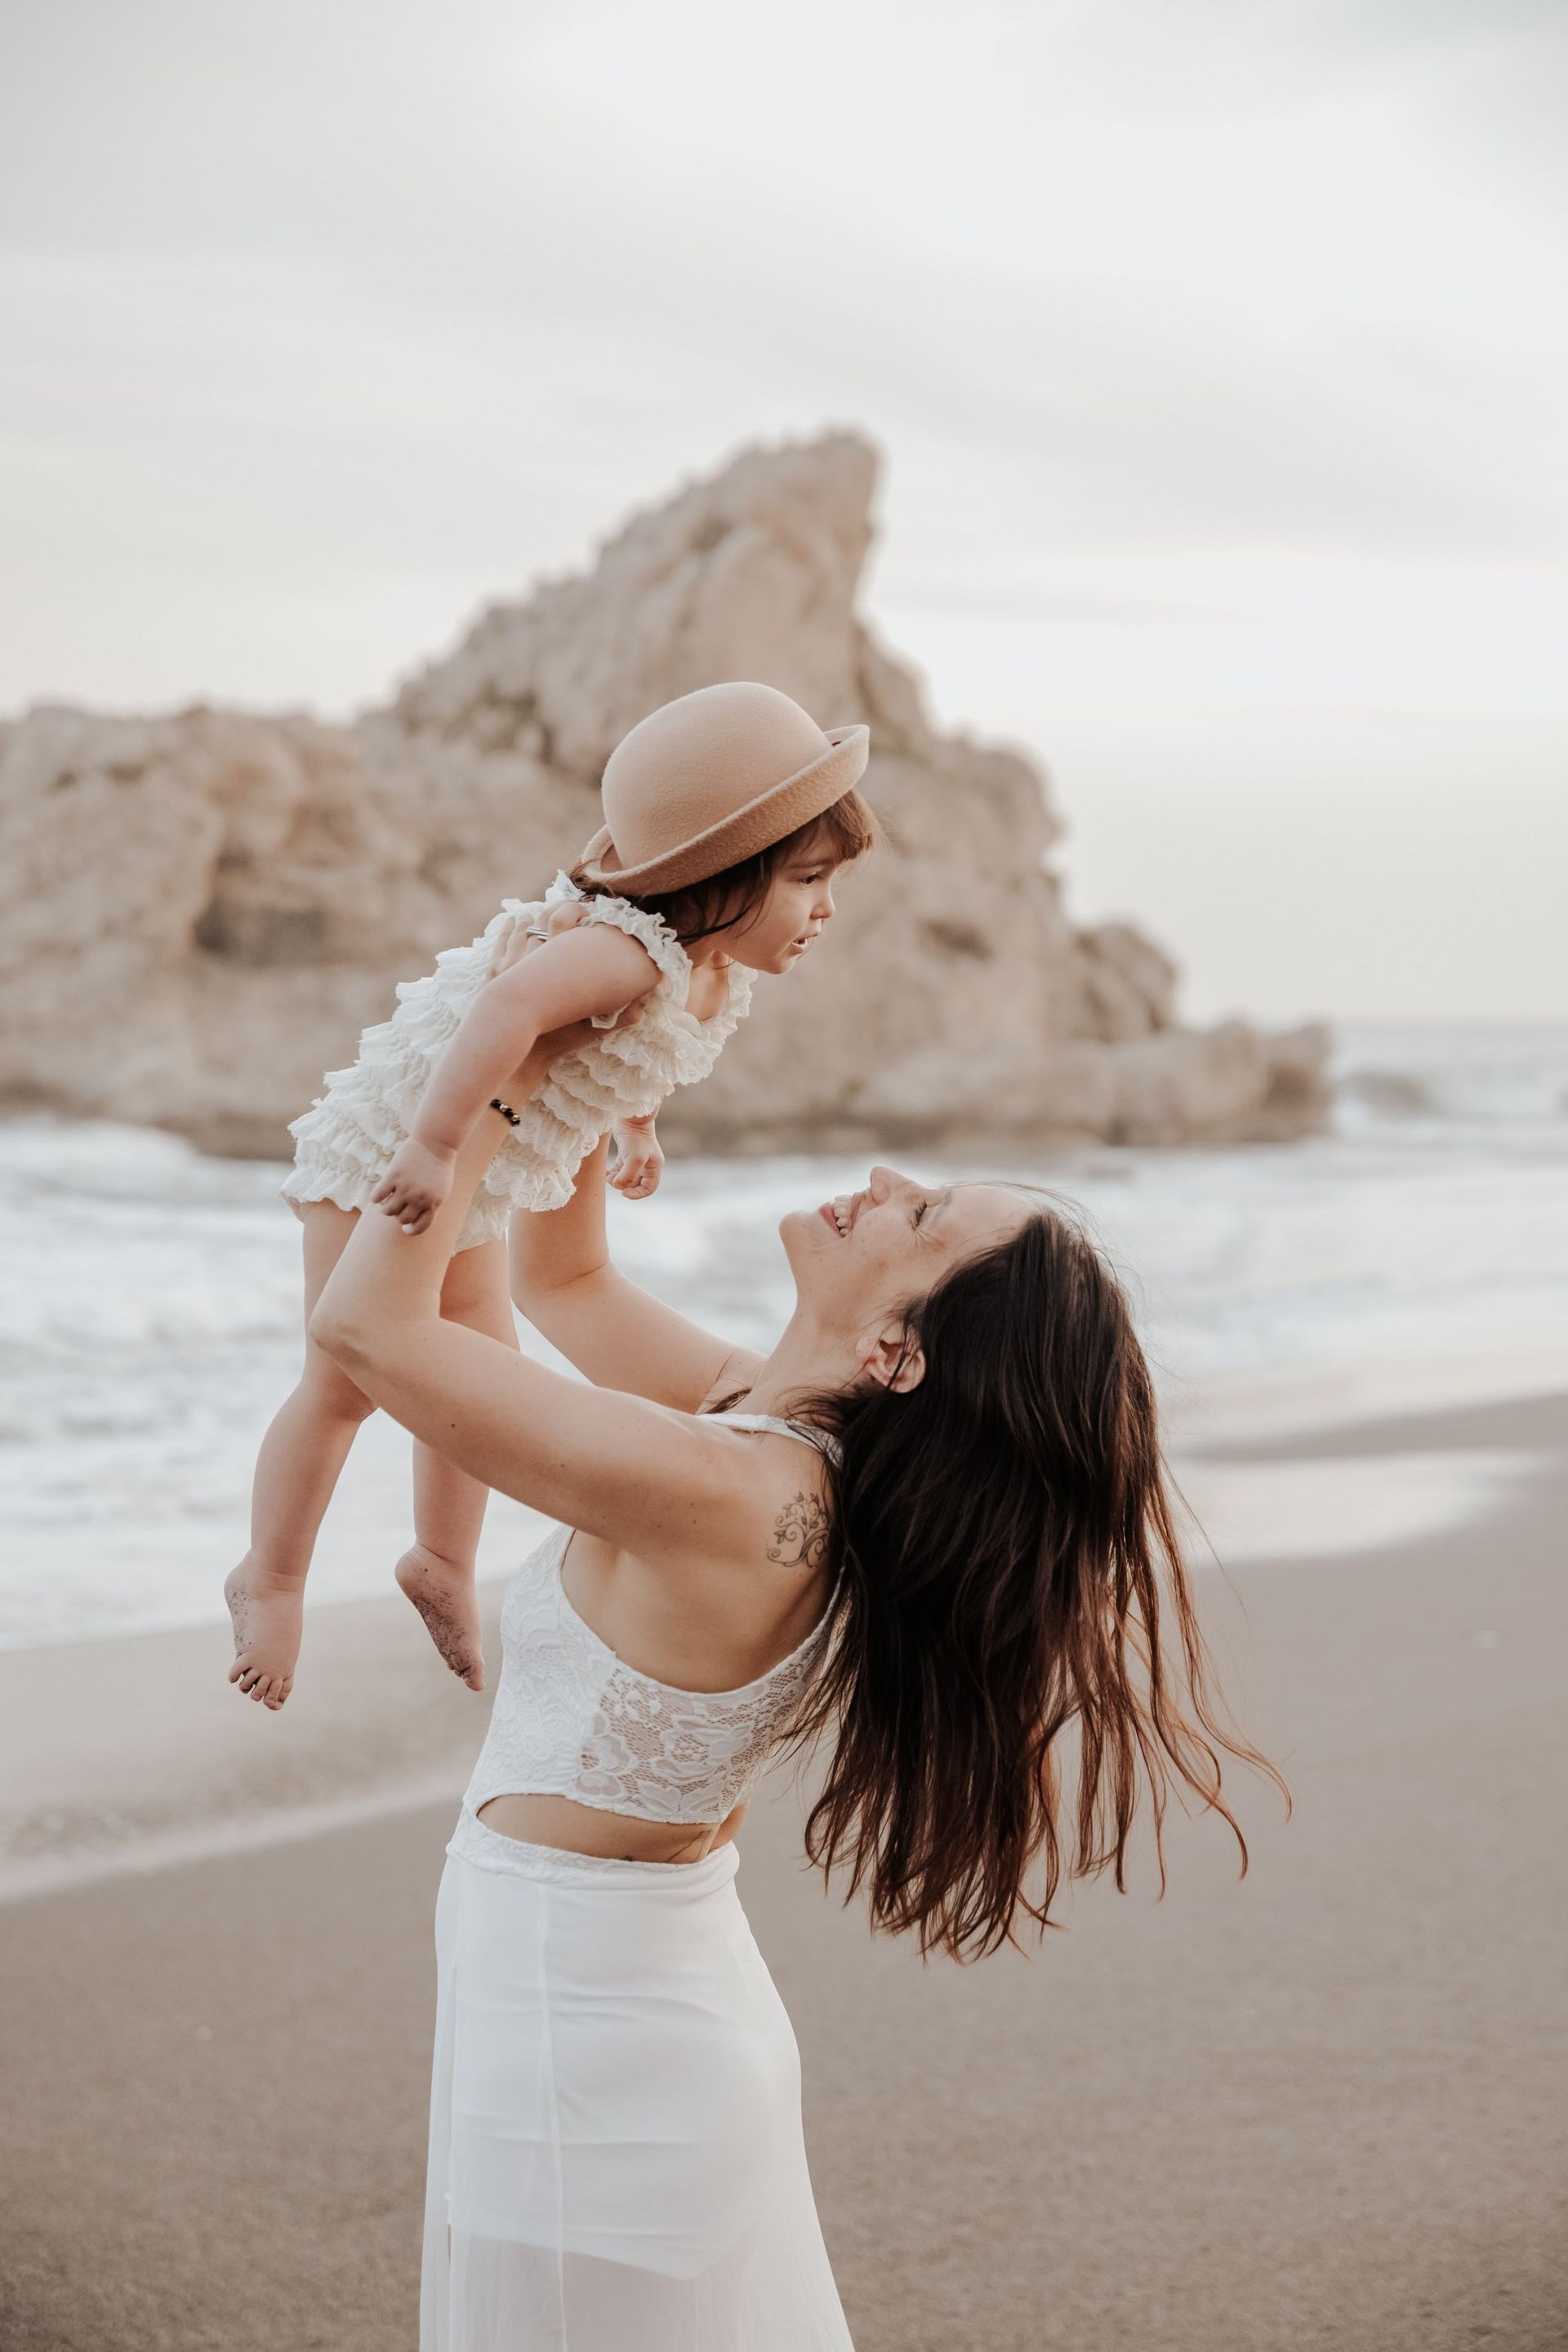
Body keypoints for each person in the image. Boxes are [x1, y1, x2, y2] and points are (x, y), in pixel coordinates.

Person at [309, 1055, 1281, 2349]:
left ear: (896, 1349)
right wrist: (594, 1076)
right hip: (622, 1997)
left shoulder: (730, 1490)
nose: (884, 1183)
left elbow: (368, 1332)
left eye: (921, 1217)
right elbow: (566, 1282)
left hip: (589, 2027)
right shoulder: (772, 1443)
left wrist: (470, 1106)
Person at [225, 680, 873, 1708]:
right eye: (807, 881)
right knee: (345, 1380)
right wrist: (436, 1147)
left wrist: (636, 1124)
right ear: (722, 877)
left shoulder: (715, 975)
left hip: (493, 1161)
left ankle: (440, 1560)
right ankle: (273, 1575)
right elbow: (511, 1009)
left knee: (476, 1365)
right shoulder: (620, 955)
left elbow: (627, 1061)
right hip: (395, 1149)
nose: (827, 909)